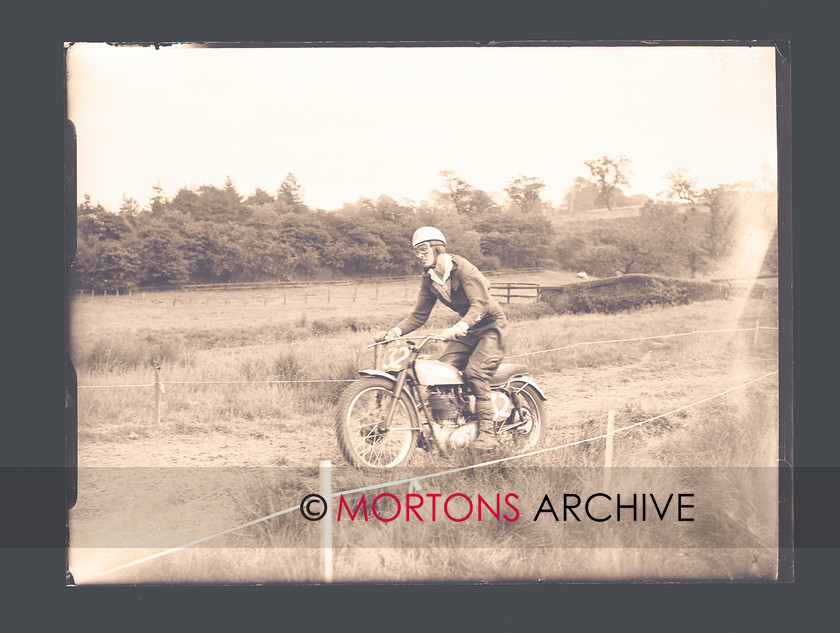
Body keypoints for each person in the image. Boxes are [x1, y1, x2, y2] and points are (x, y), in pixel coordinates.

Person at [375, 226, 507, 446]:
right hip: (467, 329)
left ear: (437, 248)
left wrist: (460, 325)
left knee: (476, 372)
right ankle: (451, 427)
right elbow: (419, 315)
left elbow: (481, 303)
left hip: (490, 325)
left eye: (424, 249)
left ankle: (488, 434)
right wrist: (394, 332)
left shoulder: (463, 268)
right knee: (442, 375)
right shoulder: (430, 279)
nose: (420, 255)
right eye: (417, 251)